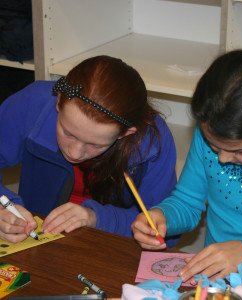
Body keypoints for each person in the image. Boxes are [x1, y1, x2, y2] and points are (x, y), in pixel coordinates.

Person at [132, 50, 242, 281]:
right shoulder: (213, 131)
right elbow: (188, 202)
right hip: (217, 281)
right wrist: (163, 217)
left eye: (239, 150)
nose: (222, 159)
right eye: (213, 146)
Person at [0, 55, 179, 246]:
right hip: (39, 239)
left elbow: (164, 231)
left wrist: (96, 218)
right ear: (59, 101)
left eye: (96, 145)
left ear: (126, 133)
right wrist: (4, 207)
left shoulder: (152, 142)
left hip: (110, 245)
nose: (75, 153)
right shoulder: (33, 103)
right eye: (68, 132)